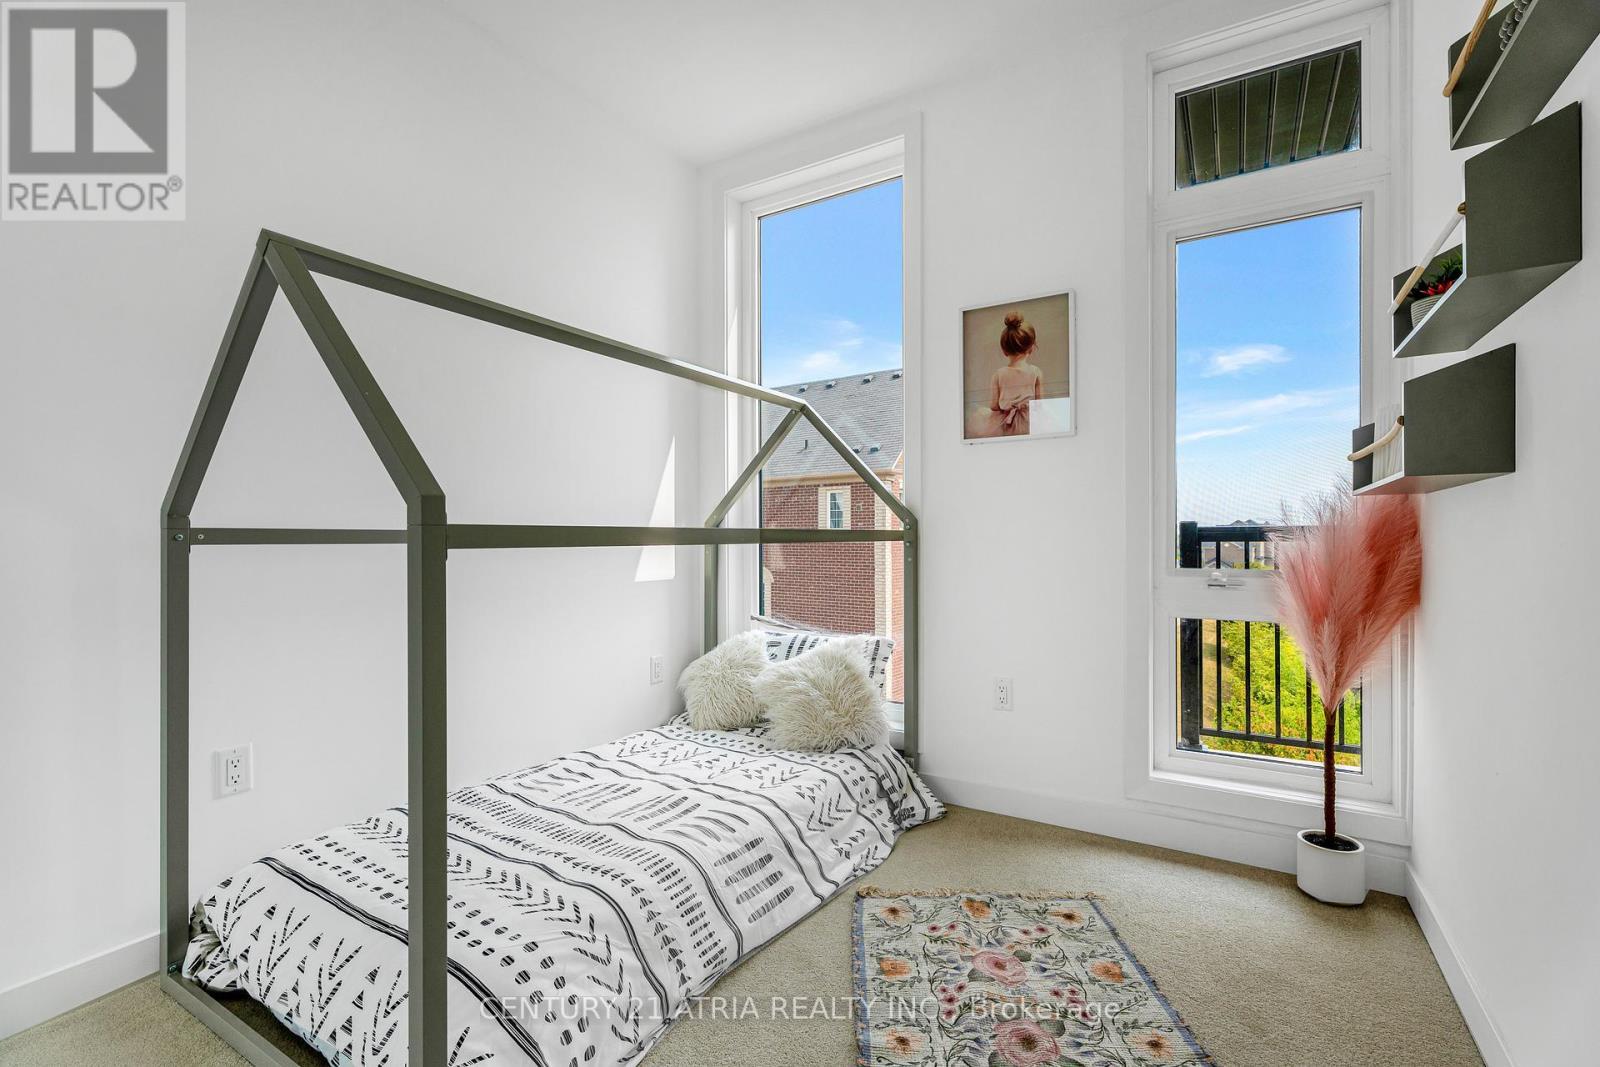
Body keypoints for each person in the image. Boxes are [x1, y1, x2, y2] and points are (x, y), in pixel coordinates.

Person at [969, 312, 1043, 437]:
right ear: (1031, 348)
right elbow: (1039, 404)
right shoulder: (1036, 372)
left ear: (1004, 350)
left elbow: (994, 406)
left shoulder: (998, 374)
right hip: (1029, 424)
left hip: (1004, 424)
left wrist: (1007, 406)